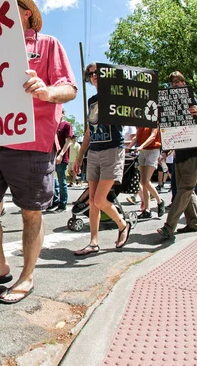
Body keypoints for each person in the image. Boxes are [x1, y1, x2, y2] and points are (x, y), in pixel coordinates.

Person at [0, 0, 77, 303]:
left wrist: (47, 92)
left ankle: (27, 276)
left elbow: (69, 88)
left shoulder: (48, 44)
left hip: (31, 142)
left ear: (26, 13)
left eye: (8, 8)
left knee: (30, 212)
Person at [72, 62, 129, 256]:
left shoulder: (115, 95)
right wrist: (80, 156)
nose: (94, 75)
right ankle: (94, 242)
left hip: (112, 149)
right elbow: (89, 130)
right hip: (94, 151)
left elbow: (128, 115)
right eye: (91, 74)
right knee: (92, 202)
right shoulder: (92, 101)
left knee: (98, 200)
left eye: (97, 72)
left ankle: (122, 224)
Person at [157, 71, 197, 240]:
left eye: (179, 81)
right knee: (186, 190)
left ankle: (169, 226)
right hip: (179, 153)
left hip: (194, 152)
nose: (175, 84)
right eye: (172, 83)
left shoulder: (193, 101)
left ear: (184, 82)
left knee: (184, 190)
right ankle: (193, 223)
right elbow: (169, 130)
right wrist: (165, 151)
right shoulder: (168, 104)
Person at [130, 126, 165, 219]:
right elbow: (136, 137)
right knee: (143, 182)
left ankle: (160, 201)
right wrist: (129, 147)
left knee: (145, 181)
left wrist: (141, 146)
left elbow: (153, 136)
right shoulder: (141, 123)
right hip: (142, 151)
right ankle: (147, 209)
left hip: (153, 150)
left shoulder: (153, 121)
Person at [47, 109, 73, 213]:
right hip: (51, 157)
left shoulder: (66, 125)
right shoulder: (54, 125)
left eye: (60, 112)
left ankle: (63, 204)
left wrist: (61, 155)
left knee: (62, 181)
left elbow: (69, 141)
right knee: (52, 180)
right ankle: (55, 200)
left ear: (63, 113)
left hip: (61, 157)